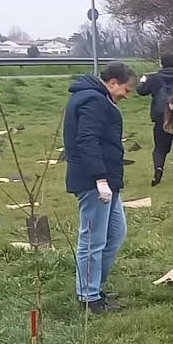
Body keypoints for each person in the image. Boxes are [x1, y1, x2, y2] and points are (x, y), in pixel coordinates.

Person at [63, 63, 135, 314]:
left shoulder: (97, 98)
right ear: (113, 82)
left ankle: (95, 286)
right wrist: (100, 178)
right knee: (92, 240)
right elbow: (87, 139)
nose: (126, 95)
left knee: (116, 233)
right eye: (126, 89)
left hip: (107, 180)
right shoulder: (93, 100)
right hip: (93, 181)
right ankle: (88, 297)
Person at [137, 54, 173, 186]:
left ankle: (158, 169)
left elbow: (141, 91)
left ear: (161, 63)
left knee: (160, 148)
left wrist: (142, 81)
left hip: (161, 119)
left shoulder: (154, 78)